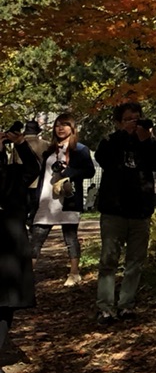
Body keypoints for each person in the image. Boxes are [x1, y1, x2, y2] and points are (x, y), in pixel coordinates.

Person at [94, 103, 156, 322]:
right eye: (129, 119)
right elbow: (102, 159)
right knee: (108, 260)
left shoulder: (148, 143)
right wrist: (123, 135)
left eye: (137, 118)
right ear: (119, 122)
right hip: (114, 211)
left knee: (135, 261)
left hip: (140, 211)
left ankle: (126, 304)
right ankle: (105, 307)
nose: (134, 123)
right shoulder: (110, 142)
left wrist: (146, 140)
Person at [31, 114, 93, 287]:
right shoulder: (50, 150)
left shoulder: (80, 149)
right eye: (58, 125)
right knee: (36, 236)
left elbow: (89, 171)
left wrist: (69, 171)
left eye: (65, 125)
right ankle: (28, 274)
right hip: (46, 199)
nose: (60, 128)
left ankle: (74, 273)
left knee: (70, 237)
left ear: (72, 129)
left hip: (68, 199)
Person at [0, 121, 39, 358]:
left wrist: (21, 144)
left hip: (11, 238)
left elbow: (33, 169)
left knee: (7, 301)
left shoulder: (14, 173)